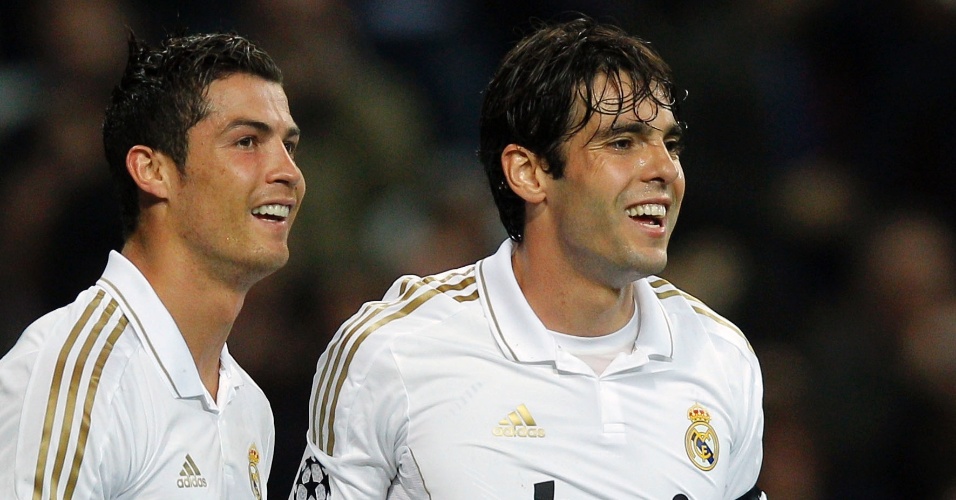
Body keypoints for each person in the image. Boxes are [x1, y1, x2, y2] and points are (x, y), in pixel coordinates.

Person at [291, 17, 764, 500]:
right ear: (529, 173)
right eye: (623, 143)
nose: (665, 169)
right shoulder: (393, 351)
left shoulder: (721, 356)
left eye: (671, 144)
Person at [0, 31, 305, 499]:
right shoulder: (77, 378)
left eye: (289, 145)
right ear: (153, 170)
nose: (288, 172)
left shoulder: (249, 407)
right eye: (247, 141)